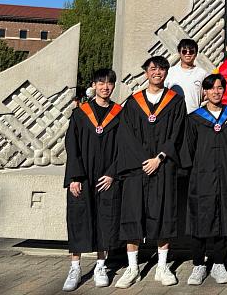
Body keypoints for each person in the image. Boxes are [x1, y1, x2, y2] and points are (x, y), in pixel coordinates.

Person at [115, 56, 189, 288]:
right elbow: (126, 136)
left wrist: (158, 158)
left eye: (162, 69)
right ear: (146, 72)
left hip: (163, 166)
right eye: (153, 69)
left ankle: (162, 267)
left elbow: (177, 133)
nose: (157, 72)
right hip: (137, 169)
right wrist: (143, 161)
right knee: (133, 215)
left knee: (164, 215)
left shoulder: (176, 102)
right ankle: (132, 268)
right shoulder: (134, 102)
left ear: (167, 73)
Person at [62, 69, 123, 291]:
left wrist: (112, 173)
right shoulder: (80, 113)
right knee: (78, 218)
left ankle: (100, 265)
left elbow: (123, 148)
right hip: (83, 176)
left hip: (106, 177)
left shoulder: (119, 113)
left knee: (104, 220)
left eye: (109, 83)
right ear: (94, 85)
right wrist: (74, 177)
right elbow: (72, 145)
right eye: (101, 83)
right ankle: (75, 267)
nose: (105, 87)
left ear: (113, 86)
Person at [184, 74, 227, 286]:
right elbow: (188, 150)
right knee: (200, 217)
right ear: (204, 92)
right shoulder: (195, 118)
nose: (216, 92)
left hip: (226, 174)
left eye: (219, 88)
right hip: (201, 176)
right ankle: (198, 264)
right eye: (211, 88)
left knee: (223, 217)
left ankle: (218, 263)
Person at [165, 38, 207, 114]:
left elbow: (208, 93)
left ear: (196, 54)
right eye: (184, 51)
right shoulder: (170, 72)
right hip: (173, 116)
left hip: (193, 117)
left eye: (191, 51)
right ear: (179, 53)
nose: (188, 53)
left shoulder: (202, 73)